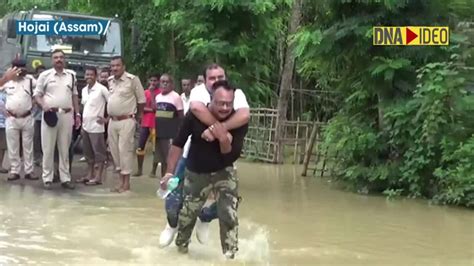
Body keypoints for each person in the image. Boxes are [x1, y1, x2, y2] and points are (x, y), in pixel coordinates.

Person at [162, 80, 248, 259]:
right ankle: (181, 251)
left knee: (229, 213)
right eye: (220, 103)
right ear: (211, 100)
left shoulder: (237, 121)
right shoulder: (194, 116)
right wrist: (169, 172)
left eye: (229, 104)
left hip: (224, 169)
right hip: (196, 171)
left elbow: (229, 155)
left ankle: (230, 257)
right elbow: (178, 144)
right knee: (187, 215)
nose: (225, 108)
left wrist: (221, 135)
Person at [34, 49, 81, 190]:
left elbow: (74, 96)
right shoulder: (44, 75)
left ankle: (65, 178)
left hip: (67, 115)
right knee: (47, 148)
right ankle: (47, 178)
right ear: (52, 60)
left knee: (64, 148)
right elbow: (37, 95)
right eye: (56, 57)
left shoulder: (71, 76)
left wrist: (77, 115)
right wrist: (43, 105)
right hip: (50, 115)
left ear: (64, 59)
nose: (59, 60)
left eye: (61, 57)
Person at [107, 56, 146, 193]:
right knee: (114, 152)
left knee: (125, 151)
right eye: (112, 66)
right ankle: (119, 182)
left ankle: (126, 184)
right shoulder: (110, 81)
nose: (114, 68)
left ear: (124, 66)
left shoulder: (132, 79)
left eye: (117, 65)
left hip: (127, 120)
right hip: (112, 121)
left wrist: (139, 116)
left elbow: (141, 100)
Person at [0, 59, 38, 181]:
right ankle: (14, 171)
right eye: (17, 68)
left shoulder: (30, 80)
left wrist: (34, 103)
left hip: (27, 116)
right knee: (13, 146)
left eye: (22, 67)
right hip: (11, 117)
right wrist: (6, 78)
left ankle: (29, 171)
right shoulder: (7, 80)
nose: (20, 70)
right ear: (12, 68)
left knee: (28, 146)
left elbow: (40, 92)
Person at [77, 66, 109, 185]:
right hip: (86, 126)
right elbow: (84, 107)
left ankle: (98, 177)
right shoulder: (84, 90)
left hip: (97, 127)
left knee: (99, 153)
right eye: (87, 75)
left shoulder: (102, 89)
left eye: (91, 75)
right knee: (88, 153)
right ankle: (89, 175)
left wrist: (107, 119)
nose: (88, 77)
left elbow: (112, 103)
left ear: (96, 76)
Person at [151, 74, 183, 178]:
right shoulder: (158, 97)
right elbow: (154, 110)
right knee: (161, 160)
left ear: (171, 84)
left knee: (170, 159)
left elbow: (181, 116)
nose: (164, 84)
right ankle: (163, 181)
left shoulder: (176, 97)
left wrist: (179, 133)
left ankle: (172, 182)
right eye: (162, 82)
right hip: (159, 134)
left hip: (170, 134)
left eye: (166, 82)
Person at [133, 74, 161, 177]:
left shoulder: (160, 94)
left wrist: (153, 96)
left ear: (158, 82)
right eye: (151, 80)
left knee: (156, 149)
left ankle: (153, 171)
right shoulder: (145, 93)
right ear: (149, 81)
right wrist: (150, 110)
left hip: (156, 124)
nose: (153, 83)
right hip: (145, 123)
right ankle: (139, 169)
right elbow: (140, 108)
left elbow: (156, 107)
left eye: (155, 80)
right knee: (140, 147)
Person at [33, 65, 46, 166]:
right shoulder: (33, 84)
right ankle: (37, 158)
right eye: (39, 72)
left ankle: (44, 159)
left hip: (46, 116)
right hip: (36, 116)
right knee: (36, 138)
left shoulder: (47, 85)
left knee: (45, 140)